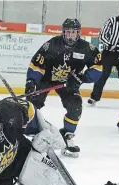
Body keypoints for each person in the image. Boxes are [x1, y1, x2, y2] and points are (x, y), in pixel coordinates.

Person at [24, 18, 103, 158]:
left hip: (69, 82)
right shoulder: (52, 45)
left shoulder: (86, 48)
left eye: (73, 32)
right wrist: (31, 81)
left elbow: (98, 67)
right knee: (32, 102)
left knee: (76, 105)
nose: (70, 35)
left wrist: (82, 78)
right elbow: (37, 64)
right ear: (63, 32)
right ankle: (30, 129)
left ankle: (67, 135)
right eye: (68, 32)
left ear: (78, 33)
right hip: (46, 79)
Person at [88, 4, 119, 106]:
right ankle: (94, 97)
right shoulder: (112, 21)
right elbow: (102, 35)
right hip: (108, 53)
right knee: (102, 75)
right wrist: (111, 45)